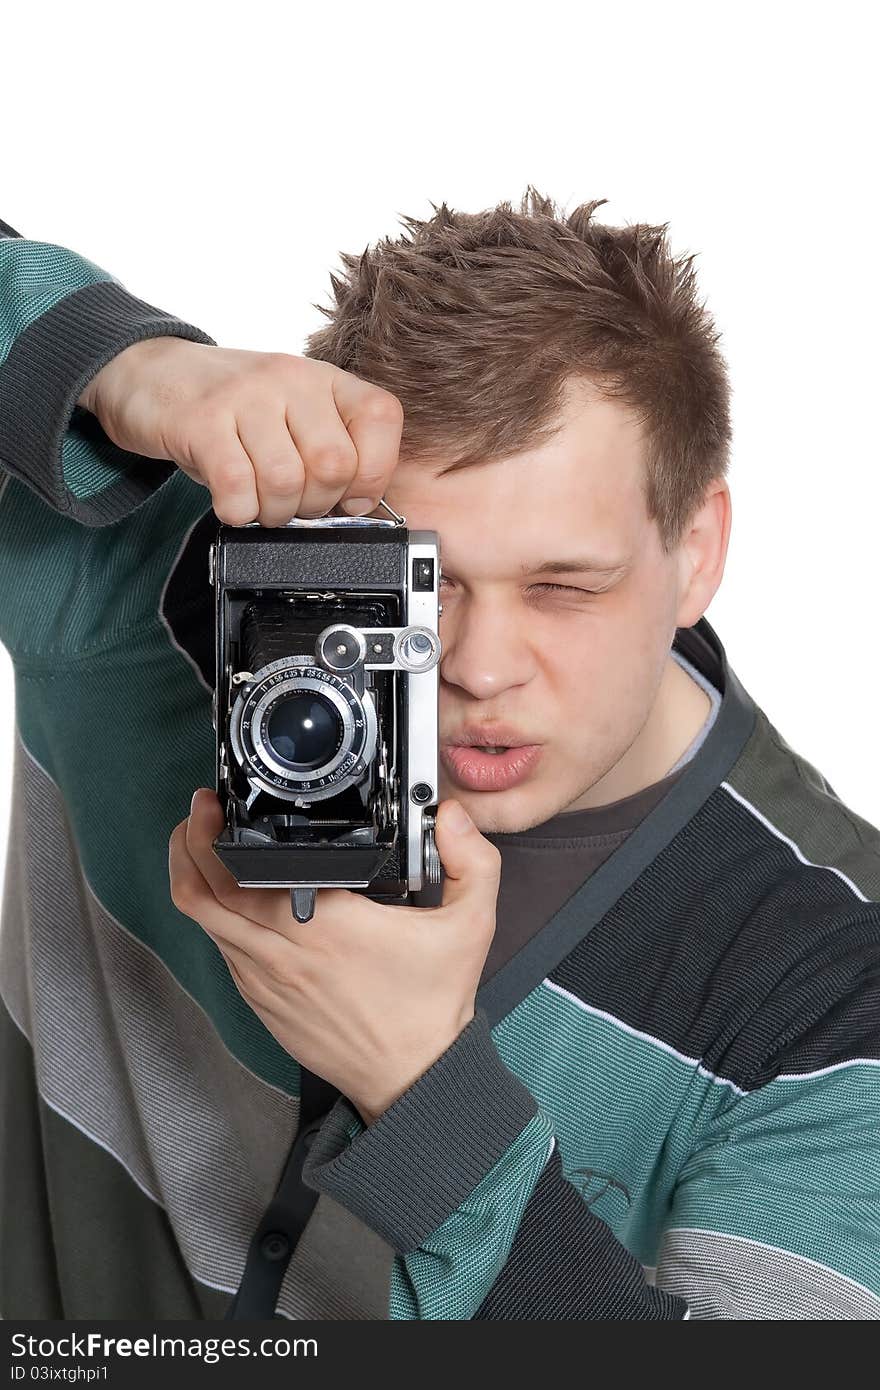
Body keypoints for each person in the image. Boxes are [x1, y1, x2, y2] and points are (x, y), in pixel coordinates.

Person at [0, 190, 878, 1322]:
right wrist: (115, 361)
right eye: (419, 581)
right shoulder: (171, 600)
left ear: (697, 547)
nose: (476, 664)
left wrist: (428, 1096)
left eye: (565, 587)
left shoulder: (837, 983)